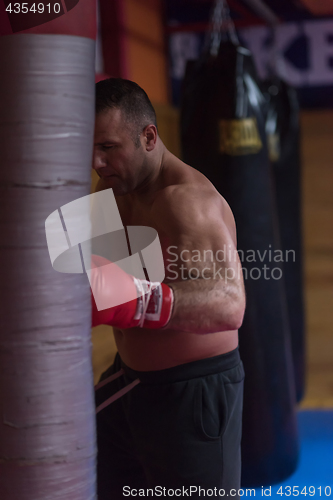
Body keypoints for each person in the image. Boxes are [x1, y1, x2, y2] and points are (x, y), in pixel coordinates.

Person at [92, 78, 246, 499]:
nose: (97, 161)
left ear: (148, 137)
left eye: (108, 147)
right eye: (90, 149)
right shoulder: (111, 187)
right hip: (129, 381)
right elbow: (90, 284)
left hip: (191, 393)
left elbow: (229, 306)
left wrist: (133, 302)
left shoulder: (186, 202)